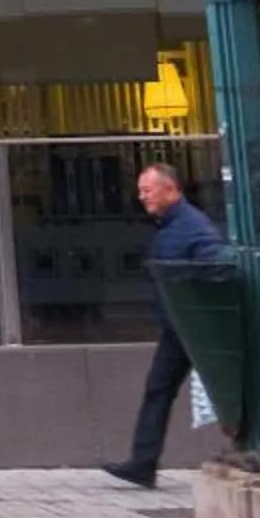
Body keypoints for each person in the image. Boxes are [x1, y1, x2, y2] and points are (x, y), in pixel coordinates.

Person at [104, 161, 228, 489]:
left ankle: (144, 462)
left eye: (148, 190)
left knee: (219, 392)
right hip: (182, 325)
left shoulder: (192, 228)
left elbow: (217, 266)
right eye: (141, 190)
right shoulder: (173, 225)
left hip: (196, 325)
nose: (142, 197)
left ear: (170, 190)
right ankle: (143, 463)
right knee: (158, 389)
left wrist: (192, 293)